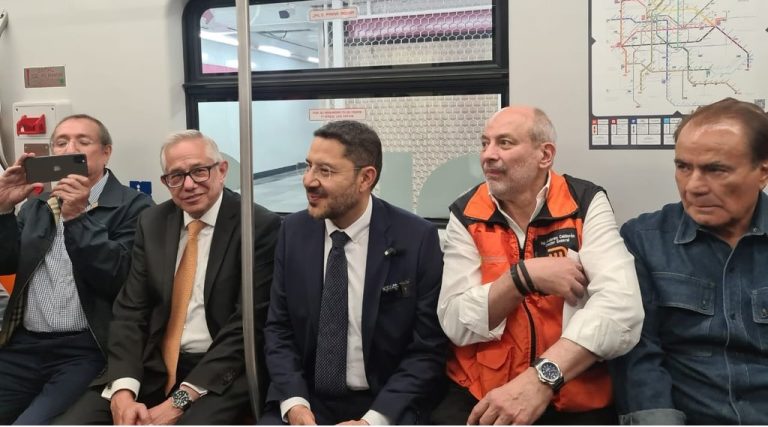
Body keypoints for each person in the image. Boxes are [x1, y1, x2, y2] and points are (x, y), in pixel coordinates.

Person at [434, 106, 644, 425]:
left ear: (544, 155)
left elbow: (622, 310)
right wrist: (522, 278)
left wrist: (539, 380)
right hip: (481, 393)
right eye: (484, 143)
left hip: (574, 395)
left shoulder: (585, 202)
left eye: (504, 143)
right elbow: (455, 322)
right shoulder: (466, 214)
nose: (488, 155)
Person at [56, 130, 280, 424]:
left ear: (222, 170)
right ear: (166, 181)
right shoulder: (153, 222)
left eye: (199, 171)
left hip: (220, 371)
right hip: (153, 365)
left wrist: (179, 401)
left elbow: (246, 327)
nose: (189, 185)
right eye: (176, 176)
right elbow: (131, 310)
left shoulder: (258, 226)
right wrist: (123, 389)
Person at [261, 120, 447, 425]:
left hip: (385, 400)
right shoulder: (293, 232)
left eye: (325, 171)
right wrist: (295, 404)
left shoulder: (416, 238)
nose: (308, 180)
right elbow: (279, 330)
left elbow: (426, 350)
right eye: (307, 167)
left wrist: (372, 420)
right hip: (305, 397)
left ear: (365, 178)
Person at [609, 98, 768, 424]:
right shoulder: (644, 239)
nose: (694, 186)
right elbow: (639, 356)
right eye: (683, 167)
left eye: (716, 169)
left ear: (762, 172)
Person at [0, 114, 154, 424]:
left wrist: (77, 218)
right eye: (61, 142)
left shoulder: (135, 206)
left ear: (106, 152)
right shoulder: (36, 204)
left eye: (83, 142)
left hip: (86, 350)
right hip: (23, 344)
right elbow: (5, 263)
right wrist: (3, 210)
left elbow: (118, 278)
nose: (70, 147)